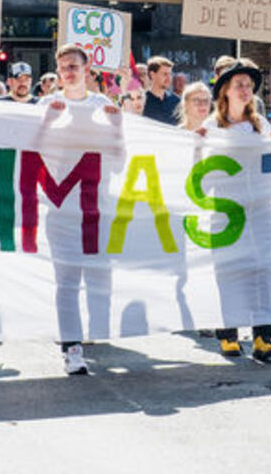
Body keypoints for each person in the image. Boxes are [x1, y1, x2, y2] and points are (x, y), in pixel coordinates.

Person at [38, 43, 122, 375]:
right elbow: (31, 151)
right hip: (61, 207)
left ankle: (95, 331)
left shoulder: (103, 106)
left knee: (99, 275)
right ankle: (71, 347)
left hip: (96, 206)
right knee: (67, 279)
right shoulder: (47, 104)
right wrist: (48, 122)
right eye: (63, 68)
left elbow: (120, 158)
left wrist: (116, 126)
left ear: (87, 69)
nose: (68, 72)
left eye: (74, 66)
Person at [200, 60, 271, 362]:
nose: (245, 90)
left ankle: (263, 335)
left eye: (249, 85)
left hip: (260, 207)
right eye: (239, 85)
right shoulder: (211, 127)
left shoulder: (260, 124)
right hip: (226, 209)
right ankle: (229, 333)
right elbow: (200, 169)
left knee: (263, 270)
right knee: (230, 270)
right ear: (225, 90)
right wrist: (196, 144)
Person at [142, 56, 180, 126]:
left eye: (170, 74)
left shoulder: (176, 101)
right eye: (165, 74)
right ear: (152, 75)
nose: (169, 78)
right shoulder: (142, 100)